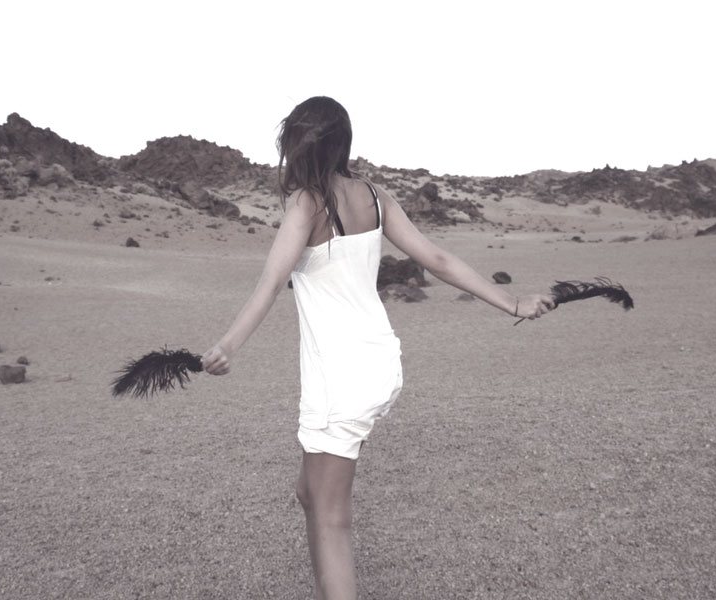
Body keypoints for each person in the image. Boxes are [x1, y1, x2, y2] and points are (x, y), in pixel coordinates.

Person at [200, 96, 555, 599]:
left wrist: (229, 346)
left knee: (332, 517)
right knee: (310, 493)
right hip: (377, 362)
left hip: (340, 376)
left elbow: (270, 282)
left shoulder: (307, 202)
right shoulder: (374, 194)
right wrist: (511, 302)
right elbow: (436, 258)